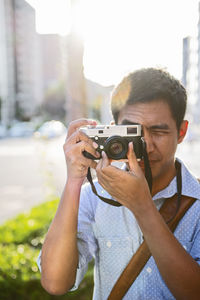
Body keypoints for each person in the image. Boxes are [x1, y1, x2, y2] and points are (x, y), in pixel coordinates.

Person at [37, 68, 200, 299]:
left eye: (158, 131)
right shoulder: (94, 196)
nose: (145, 146)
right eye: (132, 133)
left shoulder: (197, 203)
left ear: (181, 132)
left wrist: (142, 207)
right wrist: (74, 179)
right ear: (114, 129)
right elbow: (55, 282)